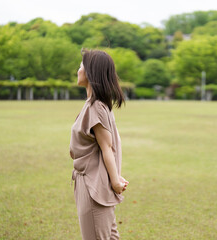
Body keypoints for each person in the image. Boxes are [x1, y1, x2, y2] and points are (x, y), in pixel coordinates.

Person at [69, 48, 129, 240]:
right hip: (93, 183)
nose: (78, 70)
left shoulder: (96, 107)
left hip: (93, 186)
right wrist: (115, 178)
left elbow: (107, 148)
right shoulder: (97, 105)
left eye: (81, 66)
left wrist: (115, 181)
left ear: (90, 72)